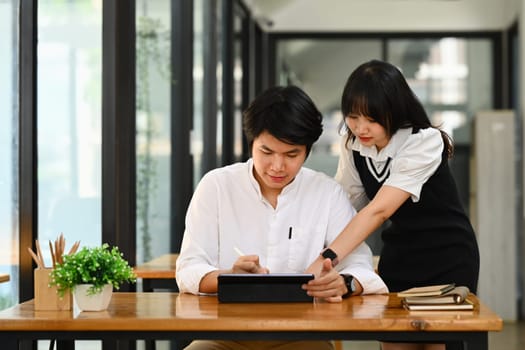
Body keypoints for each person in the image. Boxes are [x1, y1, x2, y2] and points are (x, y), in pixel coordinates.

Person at [176, 85, 388, 350]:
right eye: (266, 152)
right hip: (223, 335)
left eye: (291, 155)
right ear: (251, 143)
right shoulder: (217, 186)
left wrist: (344, 283)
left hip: (304, 336)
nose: (277, 166)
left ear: (307, 151)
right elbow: (188, 268)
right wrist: (228, 277)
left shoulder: (327, 193)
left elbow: (360, 267)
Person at [306, 60, 480, 350]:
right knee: (395, 343)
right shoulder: (354, 145)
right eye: (352, 116)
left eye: (371, 119)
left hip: (447, 256)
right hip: (399, 256)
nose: (360, 127)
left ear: (394, 111)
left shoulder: (424, 141)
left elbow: (379, 209)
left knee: (438, 344)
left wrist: (327, 256)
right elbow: (343, 202)